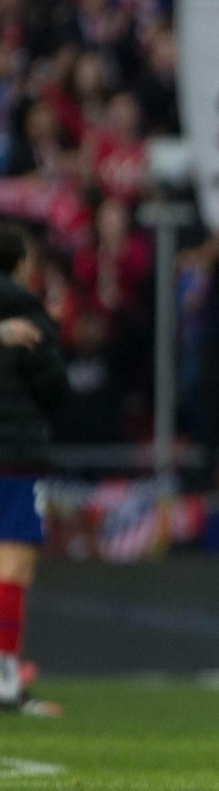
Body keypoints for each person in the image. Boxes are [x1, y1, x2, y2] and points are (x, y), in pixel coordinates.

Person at [0, 225, 68, 717]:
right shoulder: (26, 309)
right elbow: (55, 389)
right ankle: (5, 676)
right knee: (13, 565)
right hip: (16, 454)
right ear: (22, 264)